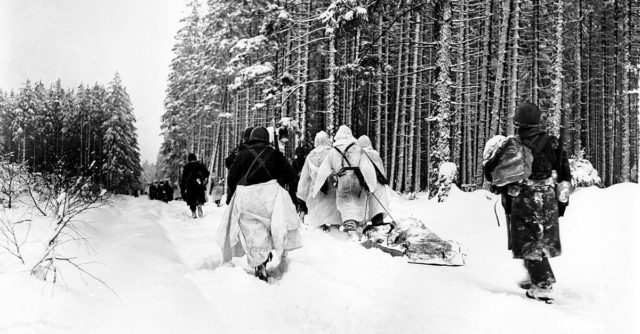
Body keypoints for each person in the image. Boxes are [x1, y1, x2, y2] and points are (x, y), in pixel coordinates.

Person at [484, 102, 572, 303]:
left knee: (530, 241)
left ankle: (542, 284)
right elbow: (565, 175)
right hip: (548, 197)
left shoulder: (512, 144)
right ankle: (534, 275)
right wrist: (562, 203)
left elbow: (491, 173)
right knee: (539, 239)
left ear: (518, 122)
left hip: (523, 197)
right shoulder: (553, 143)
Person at [217, 126, 303, 282]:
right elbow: (291, 175)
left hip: (247, 198)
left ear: (251, 138)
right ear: (267, 139)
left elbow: (231, 179)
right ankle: (265, 257)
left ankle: (259, 262)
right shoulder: (275, 154)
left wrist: (235, 193)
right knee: (271, 228)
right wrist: (279, 181)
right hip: (270, 197)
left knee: (253, 231)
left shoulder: (242, 155)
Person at [312, 125, 377, 237]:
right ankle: (356, 225)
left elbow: (324, 170)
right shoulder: (357, 148)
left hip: (342, 179)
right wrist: (372, 186)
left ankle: (349, 226)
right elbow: (367, 167)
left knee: (345, 202)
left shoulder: (333, 150)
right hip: (357, 179)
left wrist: (316, 187)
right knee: (358, 201)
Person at [296, 131, 342, 229]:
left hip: (316, 191)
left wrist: (302, 193)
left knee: (319, 221)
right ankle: (335, 232)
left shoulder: (310, 155)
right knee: (334, 218)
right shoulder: (333, 153)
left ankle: (321, 231)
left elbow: (305, 177)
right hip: (332, 190)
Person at [357, 135, 391, 230]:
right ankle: (378, 223)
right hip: (379, 183)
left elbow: (362, 169)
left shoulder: (360, 154)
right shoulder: (375, 154)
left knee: (364, 204)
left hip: (366, 183)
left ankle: (362, 226)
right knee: (377, 205)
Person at [180, 153, 210, 218]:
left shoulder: (186, 166)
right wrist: (203, 178)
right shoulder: (200, 164)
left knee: (191, 200)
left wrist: (183, 190)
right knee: (199, 197)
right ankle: (199, 206)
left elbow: (183, 179)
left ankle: (193, 211)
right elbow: (207, 173)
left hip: (190, 185)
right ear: (195, 158)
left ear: (189, 159)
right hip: (199, 184)